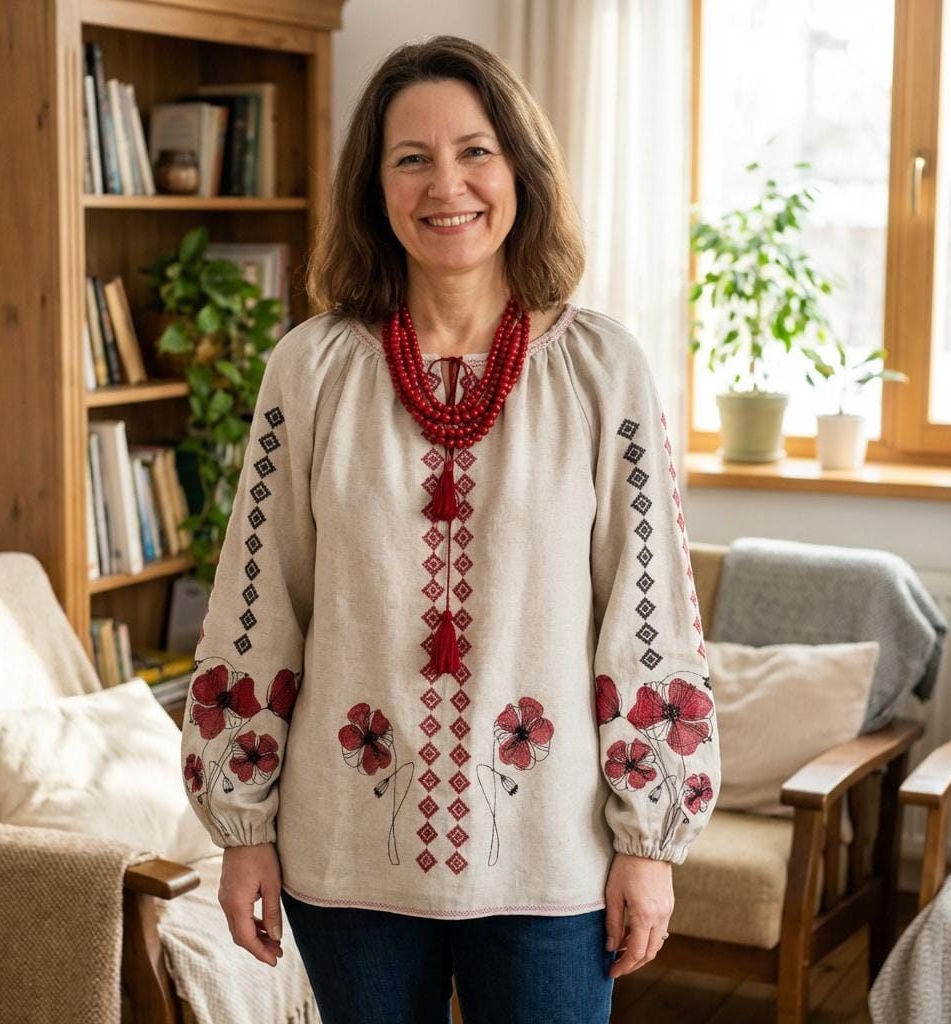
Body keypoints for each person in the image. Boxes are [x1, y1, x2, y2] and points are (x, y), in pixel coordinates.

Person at [180, 34, 720, 1024]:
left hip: (554, 862)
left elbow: (649, 618)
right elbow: (255, 608)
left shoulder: (604, 372)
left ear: (519, 166)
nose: (448, 184)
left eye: (475, 150)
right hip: (346, 858)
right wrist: (241, 825)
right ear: (374, 186)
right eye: (411, 158)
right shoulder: (310, 370)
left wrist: (649, 843)